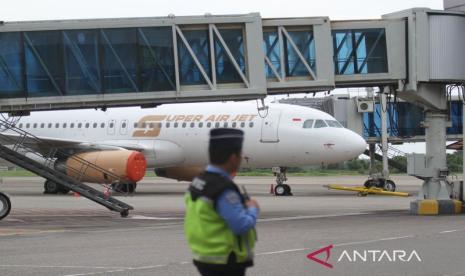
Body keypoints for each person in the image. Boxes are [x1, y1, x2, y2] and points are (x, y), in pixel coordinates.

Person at [184, 128, 260, 276]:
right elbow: (240, 225)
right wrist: (252, 209)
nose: (242, 157)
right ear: (233, 158)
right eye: (240, 154)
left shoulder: (198, 181)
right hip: (226, 260)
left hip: (204, 257)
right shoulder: (223, 188)